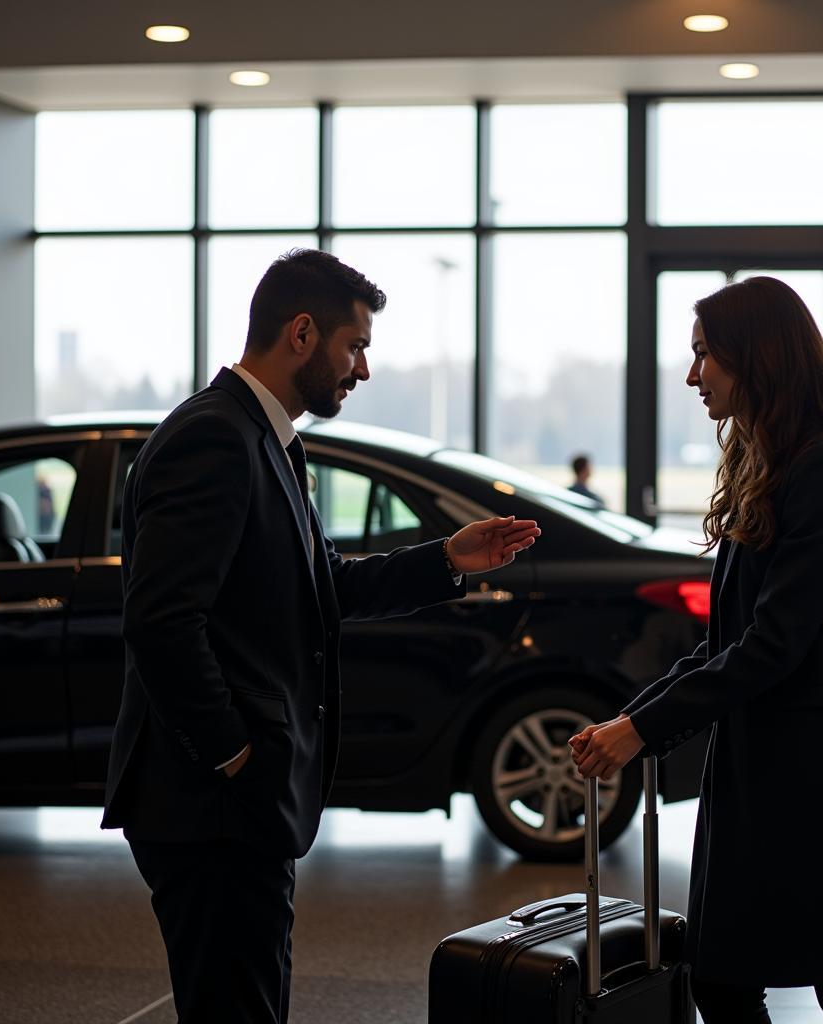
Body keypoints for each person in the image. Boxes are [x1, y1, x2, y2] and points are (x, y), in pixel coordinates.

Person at [101, 249, 540, 1024]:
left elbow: (321, 587)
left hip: (237, 805)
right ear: (302, 333)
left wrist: (446, 558)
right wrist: (233, 753)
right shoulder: (214, 440)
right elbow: (161, 621)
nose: (362, 368)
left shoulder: (266, 440)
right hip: (209, 806)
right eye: (355, 345)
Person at [570, 276, 823, 1023]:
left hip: (819, 776)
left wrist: (640, 729)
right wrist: (629, 722)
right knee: (748, 979)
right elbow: (728, 643)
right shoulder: (770, 465)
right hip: (776, 769)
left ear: (757, 357)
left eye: (705, 355)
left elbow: (774, 644)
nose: (692, 373)